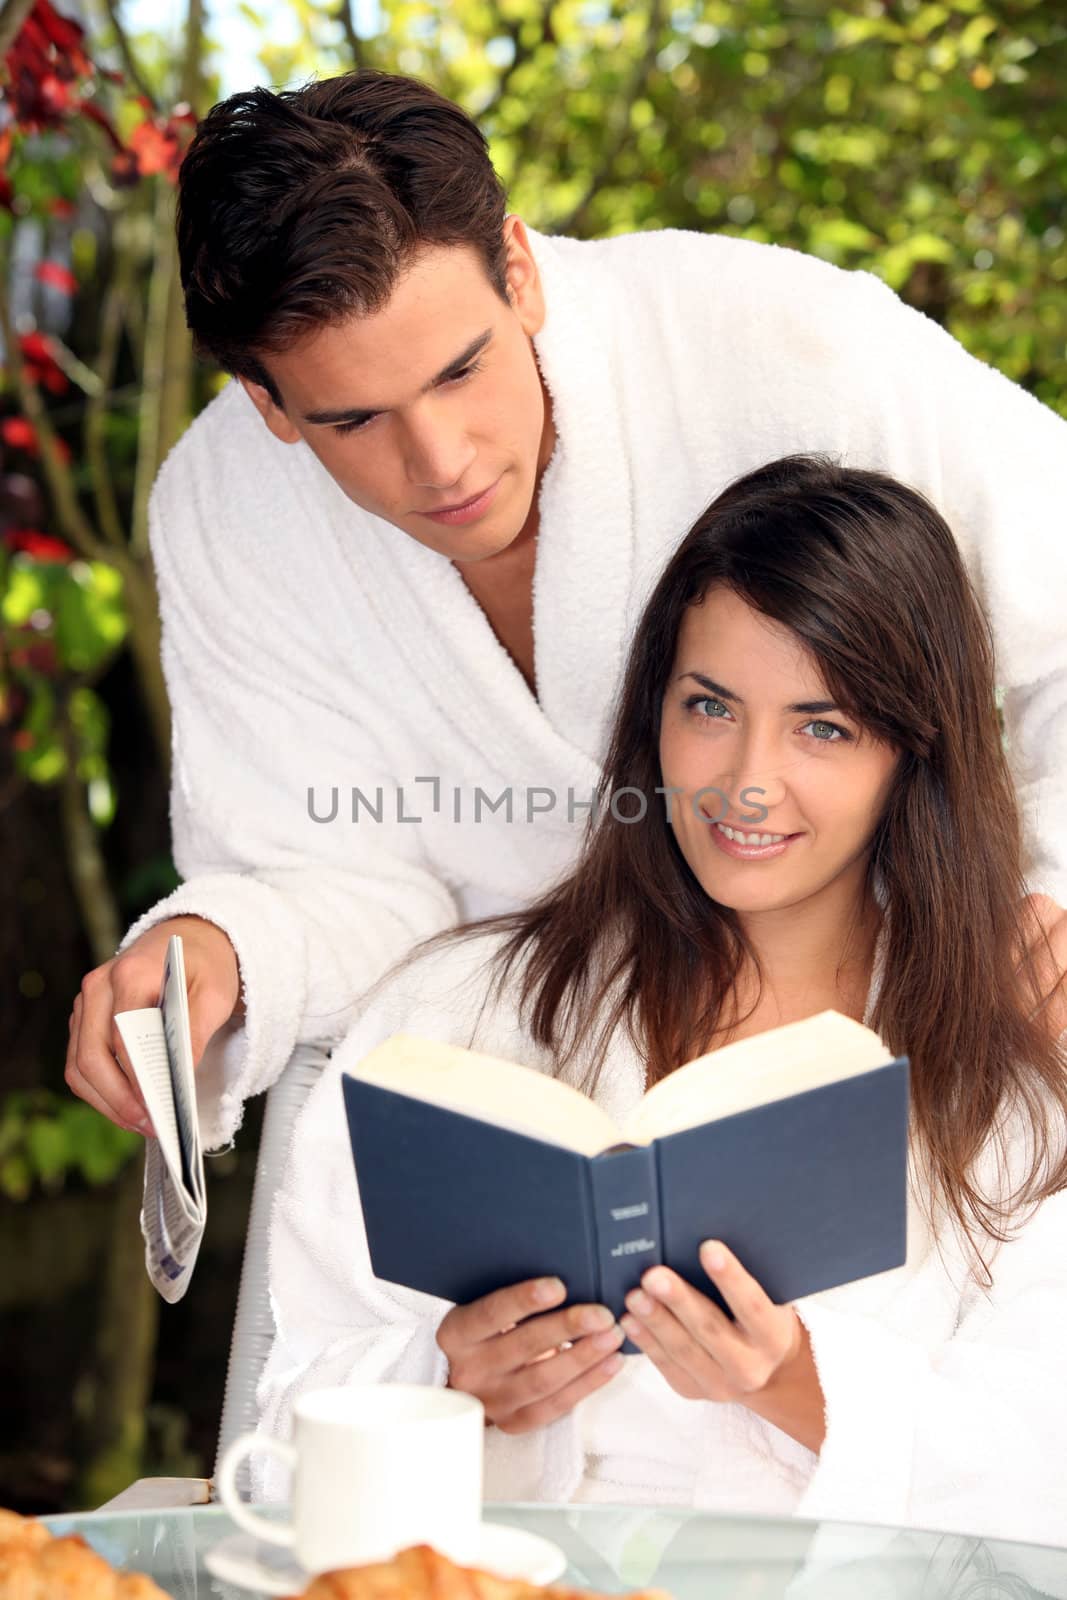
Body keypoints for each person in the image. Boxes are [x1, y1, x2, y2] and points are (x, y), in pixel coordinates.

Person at [65, 70, 1067, 1153]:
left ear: (519, 270)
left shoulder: (782, 345)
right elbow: (325, 873)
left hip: (893, 1024)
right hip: (503, 1077)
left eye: (461, 370)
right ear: (268, 404)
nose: (440, 462)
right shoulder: (226, 512)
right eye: (355, 418)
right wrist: (223, 949)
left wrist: (1052, 897)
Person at [250, 457, 1067, 1547]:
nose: (745, 780)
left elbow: (1039, 1475)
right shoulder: (456, 1013)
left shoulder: (1014, 1068)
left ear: (908, 753)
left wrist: (794, 1386)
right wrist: (445, 1382)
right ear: (653, 713)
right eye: (709, 706)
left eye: (821, 726)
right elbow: (277, 1434)